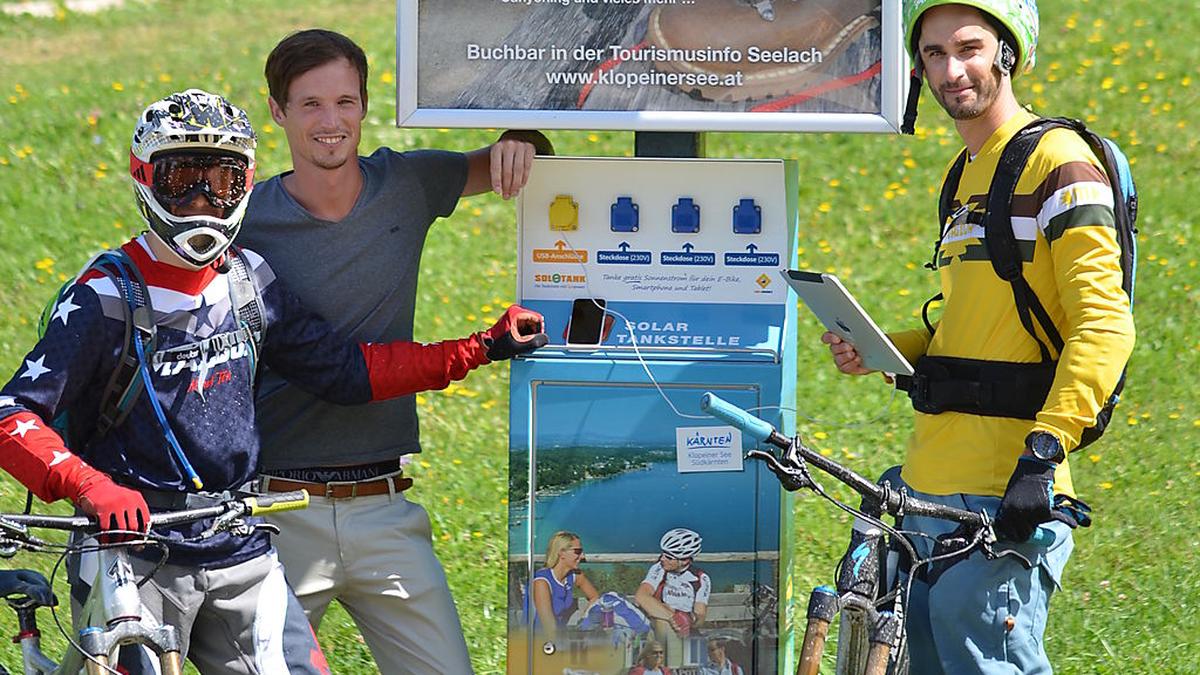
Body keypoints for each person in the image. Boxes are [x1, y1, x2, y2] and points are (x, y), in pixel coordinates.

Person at [0, 88, 545, 674]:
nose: (203, 201)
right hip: (130, 550)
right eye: (182, 180)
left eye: (223, 182)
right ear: (143, 177)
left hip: (239, 540)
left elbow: (344, 372)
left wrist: (481, 348)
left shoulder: (248, 281)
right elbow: (12, 415)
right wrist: (91, 488)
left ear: (248, 181)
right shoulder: (104, 297)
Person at [822, 1, 1135, 672]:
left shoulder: (1057, 161)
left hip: (1004, 489)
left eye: (968, 47)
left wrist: (1043, 452)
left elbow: (1105, 323)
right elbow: (974, 329)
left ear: (1008, 52)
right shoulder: (965, 174)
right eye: (933, 54)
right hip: (925, 487)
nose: (951, 69)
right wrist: (882, 346)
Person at [237, 28, 554, 675]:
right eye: (311, 105)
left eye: (346, 102)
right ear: (277, 111)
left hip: (384, 508)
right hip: (277, 511)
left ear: (364, 102)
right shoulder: (247, 219)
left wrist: (523, 141)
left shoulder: (407, 182)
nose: (332, 122)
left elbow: (511, 157)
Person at [634, 527, 710, 665]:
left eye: (668, 557)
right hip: (659, 625)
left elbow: (700, 617)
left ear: (685, 560)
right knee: (662, 623)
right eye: (663, 554)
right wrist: (672, 616)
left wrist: (688, 620)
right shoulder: (659, 569)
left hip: (684, 631)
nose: (662, 559)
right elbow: (642, 596)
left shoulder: (701, 579)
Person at [529, 530, 600, 638]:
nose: (582, 556)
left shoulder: (574, 576)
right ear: (561, 553)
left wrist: (584, 621)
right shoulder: (541, 582)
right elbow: (549, 627)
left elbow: (594, 597)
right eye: (577, 551)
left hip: (559, 636)